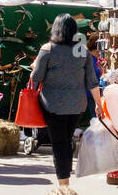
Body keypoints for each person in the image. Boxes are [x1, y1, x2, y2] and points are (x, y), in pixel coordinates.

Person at [30, 14, 103, 185]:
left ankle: (64, 185)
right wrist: (99, 105)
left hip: (53, 104)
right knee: (67, 140)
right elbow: (92, 82)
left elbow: (37, 77)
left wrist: (34, 66)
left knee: (59, 143)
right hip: (78, 105)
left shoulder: (47, 49)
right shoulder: (82, 51)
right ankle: (65, 178)